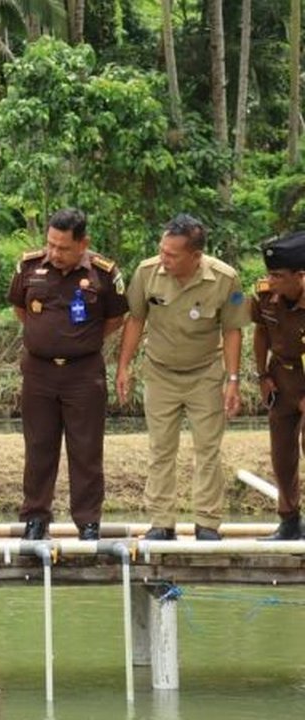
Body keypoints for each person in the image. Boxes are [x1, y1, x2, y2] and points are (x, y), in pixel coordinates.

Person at [116, 214, 249, 541]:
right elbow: (134, 320)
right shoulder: (147, 272)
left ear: (196, 255)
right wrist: (124, 366)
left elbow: (232, 331)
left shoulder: (224, 279)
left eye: (172, 254)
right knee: (161, 448)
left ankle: (207, 523)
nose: (165, 258)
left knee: (207, 449)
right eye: (162, 250)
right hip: (160, 372)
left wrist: (232, 380)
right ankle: (162, 522)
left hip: (205, 373)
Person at [8, 209, 127, 541]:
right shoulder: (29, 267)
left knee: (86, 450)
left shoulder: (105, 274)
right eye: (50, 245)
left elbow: (115, 319)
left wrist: (80, 341)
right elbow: (21, 309)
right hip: (38, 372)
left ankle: (88, 522)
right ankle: (35, 518)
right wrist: (47, 337)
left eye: (63, 248)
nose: (55, 254)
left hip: (83, 374)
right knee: (38, 446)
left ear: (83, 243)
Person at [250, 231, 305, 540]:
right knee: (282, 454)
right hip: (281, 379)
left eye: (278, 276)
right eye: (269, 274)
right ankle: (289, 521)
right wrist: (262, 376)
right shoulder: (264, 294)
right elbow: (261, 332)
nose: (271, 282)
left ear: (300, 276)